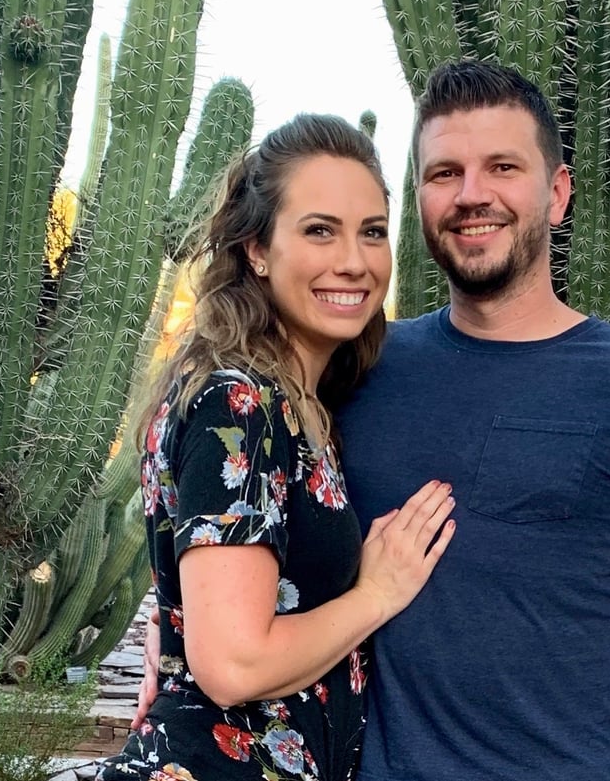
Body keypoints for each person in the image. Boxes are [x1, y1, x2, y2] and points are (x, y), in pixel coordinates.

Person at [137, 62, 610, 781]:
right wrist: (177, 617)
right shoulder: (353, 370)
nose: (472, 195)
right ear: (420, 199)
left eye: (503, 167)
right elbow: (249, 513)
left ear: (556, 193)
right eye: (444, 173)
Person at [100, 113, 455, 781]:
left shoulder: (288, 400)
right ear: (258, 249)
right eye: (319, 230)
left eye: (372, 231)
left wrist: (172, 628)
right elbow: (234, 663)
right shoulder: (242, 403)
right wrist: (377, 593)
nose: (354, 260)